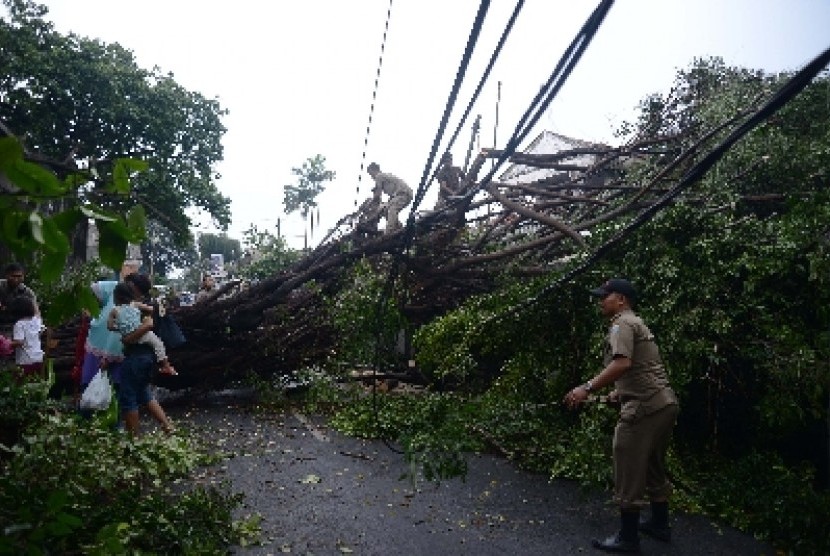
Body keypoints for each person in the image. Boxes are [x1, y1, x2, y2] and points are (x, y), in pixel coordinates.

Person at [564, 278, 679, 553]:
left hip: (645, 407)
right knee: (652, 463)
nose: (600, 301)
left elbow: (623, 363)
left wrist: (586, 388)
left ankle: (628, 538)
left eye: (605, 296)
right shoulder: (635, 322)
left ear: (621, 300)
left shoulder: (621, 324)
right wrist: (618, 394)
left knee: (627, 462)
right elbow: (642, 367)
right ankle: (659, 525)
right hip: (664, 403)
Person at [118, 276, 175, 437]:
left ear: (134, 287)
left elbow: (148, 325)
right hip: (144, 357)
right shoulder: (137, 306)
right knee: (144, 393)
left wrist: (128, 339)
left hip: (138, 356)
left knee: (128, 397)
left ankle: (133, 440)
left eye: (128, 284)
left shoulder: (143, 307)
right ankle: (168, 427)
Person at [79, 261, 141, 391]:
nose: (130, 271)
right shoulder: (115, 287)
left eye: (133, 269)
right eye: (127, 267)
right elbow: (89, 290)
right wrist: (89, 309)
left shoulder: (138, 304)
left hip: (118, 349)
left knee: (114, 388)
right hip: (99, 340)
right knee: (91, 384)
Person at [107, 283, 177, 377]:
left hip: (127, 336)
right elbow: (151, 309)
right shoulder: (135, 304)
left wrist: (121, 328)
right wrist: (144, 316)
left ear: (116, 296)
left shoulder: (114, 310)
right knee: (158, 344)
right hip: (143, 334)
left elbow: (110, 326)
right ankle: (166, 366)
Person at [366, 162, 413, 233]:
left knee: (392, 208)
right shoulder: (385, 176)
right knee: (384, 210)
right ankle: (398, 227)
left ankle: (389, 230)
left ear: (374, 170)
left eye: (370, 174)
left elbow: (378, 195)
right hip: (401, 194)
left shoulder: (379, 176)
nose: (371, 177)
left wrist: (370, 204)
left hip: (403, 193)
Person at [9, 296, 44, 378]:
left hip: (25, 361)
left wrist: (7, 343)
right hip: (39, 358)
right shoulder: (36, 321)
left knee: (20, 385)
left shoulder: (19, 324)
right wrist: (33, 301)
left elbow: (19, 342)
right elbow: (38, 314)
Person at [0, 262, 39, 334]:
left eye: (19, 276)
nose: (16, 279)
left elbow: (36, 312)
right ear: (7, 275)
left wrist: (37, 325)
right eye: (13, 276)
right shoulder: (1, 285)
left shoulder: (27, 292)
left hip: (17, 323)